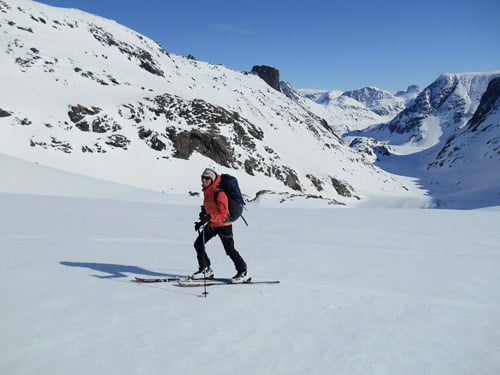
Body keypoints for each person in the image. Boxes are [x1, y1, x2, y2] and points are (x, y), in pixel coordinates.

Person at [192, 168, 250, 283]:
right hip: (213, 225)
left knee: (230, 250)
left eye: (207, 178)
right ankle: (205, 269)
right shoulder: (207, 191)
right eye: (202, 178)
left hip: (224, 225)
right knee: (198, 244)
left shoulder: (219, 193)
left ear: (212, 179)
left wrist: (209, 217)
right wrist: (202, 221)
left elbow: (224, 214)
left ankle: (243, 272)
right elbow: (209, 210)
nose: (204, 180)